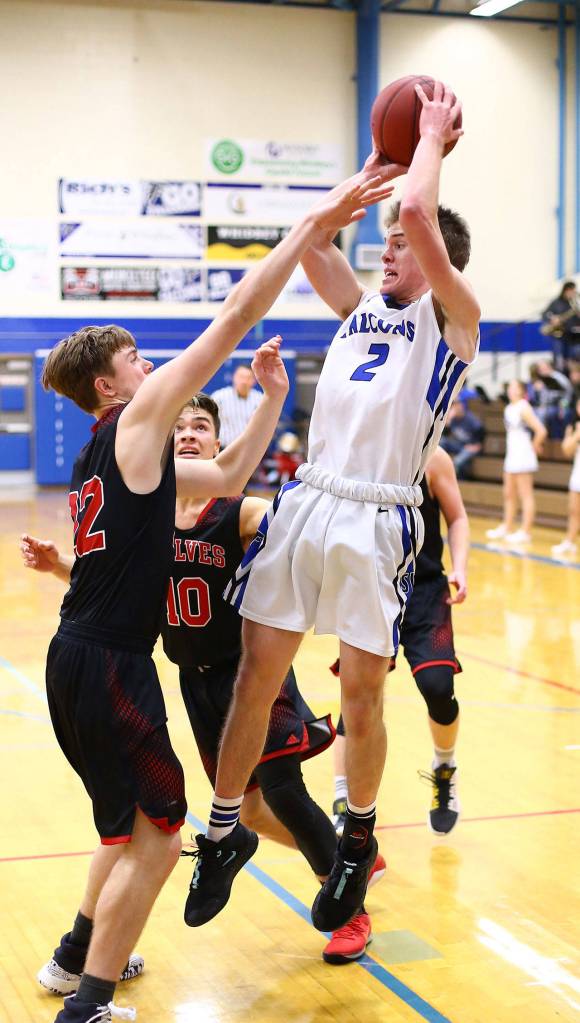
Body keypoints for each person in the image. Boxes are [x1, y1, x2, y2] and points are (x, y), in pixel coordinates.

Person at [29, 175, 390, 1023]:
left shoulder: (102, 457)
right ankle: (88, 1005)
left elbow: (227, 474)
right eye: (136, 364)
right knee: (160, 835)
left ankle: (77, 957)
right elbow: (231, 317)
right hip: (115, 663)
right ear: (115, 390)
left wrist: (268, 400)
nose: (151, 369)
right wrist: (310, 226)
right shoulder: (135, 420)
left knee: (126, 828)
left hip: (75, 654)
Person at [184, 80, 480, 936]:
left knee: (360, 694)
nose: (386, 249)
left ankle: (356, 835)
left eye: (396, 245)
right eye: (382, 242)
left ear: (434, 264)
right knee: (255, 676)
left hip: (377, 517)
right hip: (307, 502)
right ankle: (226, 827)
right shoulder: (359, 312)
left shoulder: (454, 320)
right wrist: (370, 170)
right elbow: (316, 245)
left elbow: (422, 217)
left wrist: (426, 145)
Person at [22, 393, 386, 968]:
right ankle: (347, 855)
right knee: (251, 814)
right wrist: (58, 567)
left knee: (284, 791)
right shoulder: (149, 514)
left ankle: (350, 906)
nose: (189, 435)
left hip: (252, 677)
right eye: (180, 428)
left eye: (201, 428)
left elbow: (298, 539)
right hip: (196, 686)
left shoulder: (239, 511)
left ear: (219, 444)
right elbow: (116, 584)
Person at [331, 446, 469, 838]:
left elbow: (457, 517)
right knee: (356, 698)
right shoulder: (359, 451)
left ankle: (444, 767)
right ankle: (343, 797)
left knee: (439, 688)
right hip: (372, 589)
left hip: (426, 591)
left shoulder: (434, 458)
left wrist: (460, 567)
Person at [486, 379, 547, 544]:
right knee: (508, 493)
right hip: (512, 453)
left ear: (522, 390)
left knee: (525, 495)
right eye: (510, 387)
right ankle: (507, 526)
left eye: (515, 387)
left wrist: (534, 446)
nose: (511, 390)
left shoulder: (523, 407)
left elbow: (541, 430)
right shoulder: (508, 408)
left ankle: (526, 531)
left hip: (523, 453)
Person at [551, 397, 580, 557]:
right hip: (577, 472)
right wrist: (576, 436)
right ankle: (569, 542)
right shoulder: (573, 426)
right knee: (574, 511)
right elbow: (566, 450)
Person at [211, 364, 263, 446]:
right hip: (223, 448)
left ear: (254, 381)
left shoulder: (260, 399)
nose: (244, 381)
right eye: (241, 377)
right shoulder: (219, 397)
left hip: (250, 449)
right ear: (234, 377)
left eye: (248, 378)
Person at [439, 397, 485, 478]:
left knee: (457, 461)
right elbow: (444, 435)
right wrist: (448, 421)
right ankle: (439, 464)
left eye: (456, 405)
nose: (454, 408)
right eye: (453, 406)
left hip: (471, 447)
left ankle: (456, 479)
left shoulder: (470, 418)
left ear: (461, 406)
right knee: (442, 441)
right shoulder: (452, 418)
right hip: (459, 445)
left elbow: (481, 431)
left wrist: (478, 445)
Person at [540, 281, 580, 371]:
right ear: (565, 290)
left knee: (570, 361)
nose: (572, 293)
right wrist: (553, 318)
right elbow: (545, 314)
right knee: (558, 360)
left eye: (573, 291)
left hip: (572, 337)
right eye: (570, 291)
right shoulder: (556, 302)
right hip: (558, 336)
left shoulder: (575, 303)